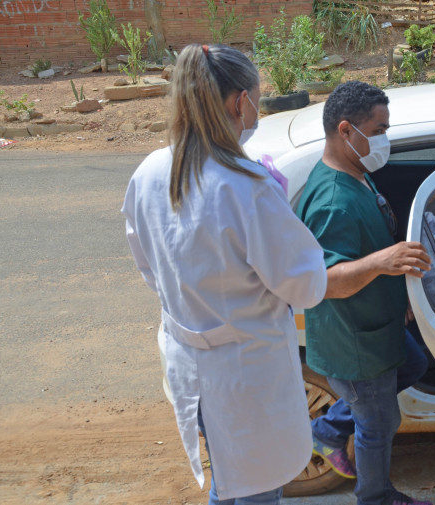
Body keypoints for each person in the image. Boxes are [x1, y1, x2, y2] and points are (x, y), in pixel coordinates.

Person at [121, 44, 327, 505]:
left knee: (229, 481)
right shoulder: (246, 186)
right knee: (255, 490)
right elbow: (306, 286)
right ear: (240, 102)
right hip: (246, 377)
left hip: (191, 367)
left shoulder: (151, 170)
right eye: (257, 96)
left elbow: (149, 266)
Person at [295, 81, 433, 505]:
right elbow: (323, 282)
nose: (384, 139)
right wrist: (381, 263)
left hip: (380, 324)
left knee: (413, 364)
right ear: (345, 131)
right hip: (356, 343)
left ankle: (329, 428)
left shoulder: (356, 173)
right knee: (379, 421)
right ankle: (376, 496)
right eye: (378, 130)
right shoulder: (333, 200)